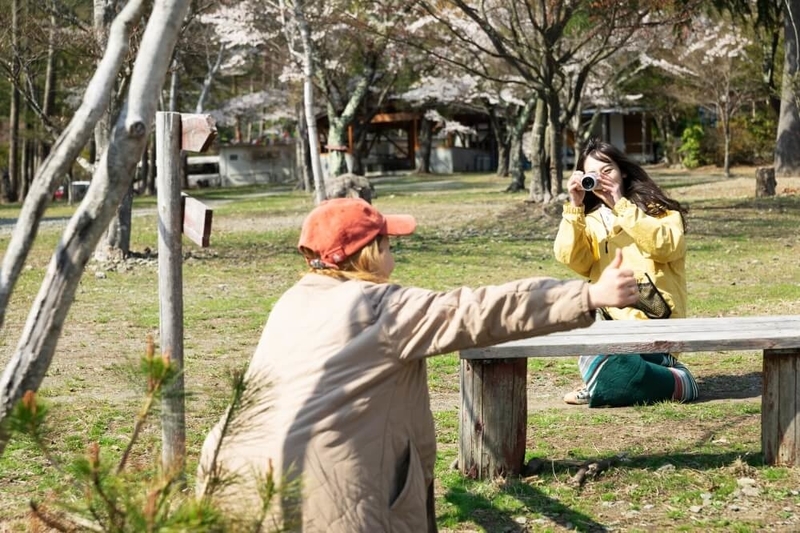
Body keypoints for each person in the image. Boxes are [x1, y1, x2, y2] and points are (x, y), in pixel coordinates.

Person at [197, 197, 640, 532]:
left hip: (235, 480)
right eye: (388, 242)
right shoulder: (378, 307)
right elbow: (476, 310)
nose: (394, 249)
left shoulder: (292, 301)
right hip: (330, 493)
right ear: (368, 252)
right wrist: (588, 296)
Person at [554, 138, 699, 408]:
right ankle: (666, 382)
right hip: (611, 324)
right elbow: (570, 258)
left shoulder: (659, 211)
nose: (601, 179)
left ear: (622, 171)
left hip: (654, 322)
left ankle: (656, 379)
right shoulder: (591, 220)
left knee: (612, 369)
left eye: (607, 170)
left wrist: (621, 204)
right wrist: (574, 206)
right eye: (592, 174)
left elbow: (667, 246)